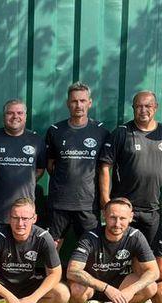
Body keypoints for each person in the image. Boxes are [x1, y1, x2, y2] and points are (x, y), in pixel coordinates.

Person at [65, 198, 159, 303]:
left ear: (131, 217)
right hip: (92, 286)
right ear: (104, 215)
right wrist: (106, 288)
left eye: (123, 218)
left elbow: (154, 271)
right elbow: (72, 271)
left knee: (150, 287)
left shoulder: (135, 236)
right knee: (77, 287)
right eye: (113, 217)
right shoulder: (90, 237)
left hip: (120, 286)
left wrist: (131, 290)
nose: (117, 224)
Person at [98, 90, 162, 244]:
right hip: (123, 208)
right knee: (119, 249)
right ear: (133, 108)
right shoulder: (121, 133)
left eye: (148, 106)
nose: (143, 110)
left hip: (152, 209)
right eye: (139, 106)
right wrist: (105, 198)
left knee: (148, 252)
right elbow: (105, 167)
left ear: (155, 107)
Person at [44, 82, 109, 247]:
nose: (78, 105)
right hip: (59, 202)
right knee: (52, 245)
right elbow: (50, 165)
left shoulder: (101, 131)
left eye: (82, 101)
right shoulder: (55, 130)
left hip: (88, 203)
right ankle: (54, 267)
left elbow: (105, 168)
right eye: (74, 101)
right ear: (68, 103)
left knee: (91, 246)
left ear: (90, 103)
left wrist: (104, 198)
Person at [0, 99, 46, 241]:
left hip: (25, 214)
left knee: (22, 251)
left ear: (25, 116)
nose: (15, 116)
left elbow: (40, 169)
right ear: (3, 116)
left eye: (19, 113)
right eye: (10, 113)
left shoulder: (36, 140)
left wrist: (26, 182)